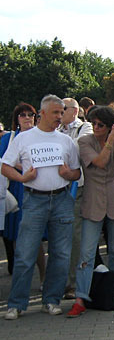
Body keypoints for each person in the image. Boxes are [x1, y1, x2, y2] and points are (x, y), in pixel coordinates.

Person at [3, 94, 81, 320]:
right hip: (34, 200)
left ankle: (52, 299)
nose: (60, 116)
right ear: (43, 113)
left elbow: (76, 172)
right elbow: (5, 166)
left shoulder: (66, 141)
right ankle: (16, 303)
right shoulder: (24, 139)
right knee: (26, 253)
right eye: (56, 112)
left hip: (61, 200)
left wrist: (69, 174)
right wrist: (22, 178)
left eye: (62, 112)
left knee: (60, 253)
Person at [67, 106, 114, 317]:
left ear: (109, 126)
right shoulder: (85, 141)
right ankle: (81, 297)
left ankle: (113, 293)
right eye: (94, 123)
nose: (96, 128)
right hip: (92, 201)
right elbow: (100, 162)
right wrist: (111, 139)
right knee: (87, 253)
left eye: (101, 125)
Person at [0, 103, 47, 282]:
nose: (27, 117)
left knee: (35, 240)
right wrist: (22, 166)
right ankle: (21, 281)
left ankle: (43, 277)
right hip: (16, 188)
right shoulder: (9, 138)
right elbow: (3, 162)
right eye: (22, 115)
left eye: (31, 114)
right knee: (17, 238)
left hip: (37, 188)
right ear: (16, 119)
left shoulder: (41, 137)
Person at [58, 97, 93, 300]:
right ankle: (61, 281)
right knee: (59, 237)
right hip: (58, 188)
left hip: (77, 188)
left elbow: (77, 148)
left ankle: (73, 283)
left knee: (76, 236)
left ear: (74, 110)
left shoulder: (85, 127)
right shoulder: (57, 130)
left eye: (62, 110)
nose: (59, 114)